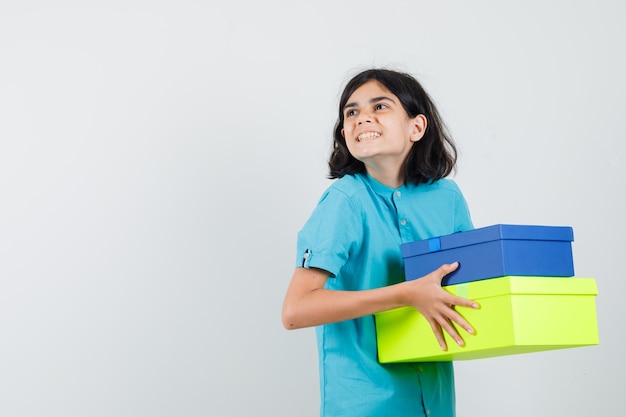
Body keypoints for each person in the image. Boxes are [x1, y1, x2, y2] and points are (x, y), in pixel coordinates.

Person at [281, 68, 479, 417]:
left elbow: (471, 287)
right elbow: (295, 310)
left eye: (380, 106)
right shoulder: (345, 200)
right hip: (364, 403)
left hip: (434, 403)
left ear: (417, 127)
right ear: (344, 133)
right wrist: (406, 294)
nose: (362, 119)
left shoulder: (447, 198)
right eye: (351, 112)